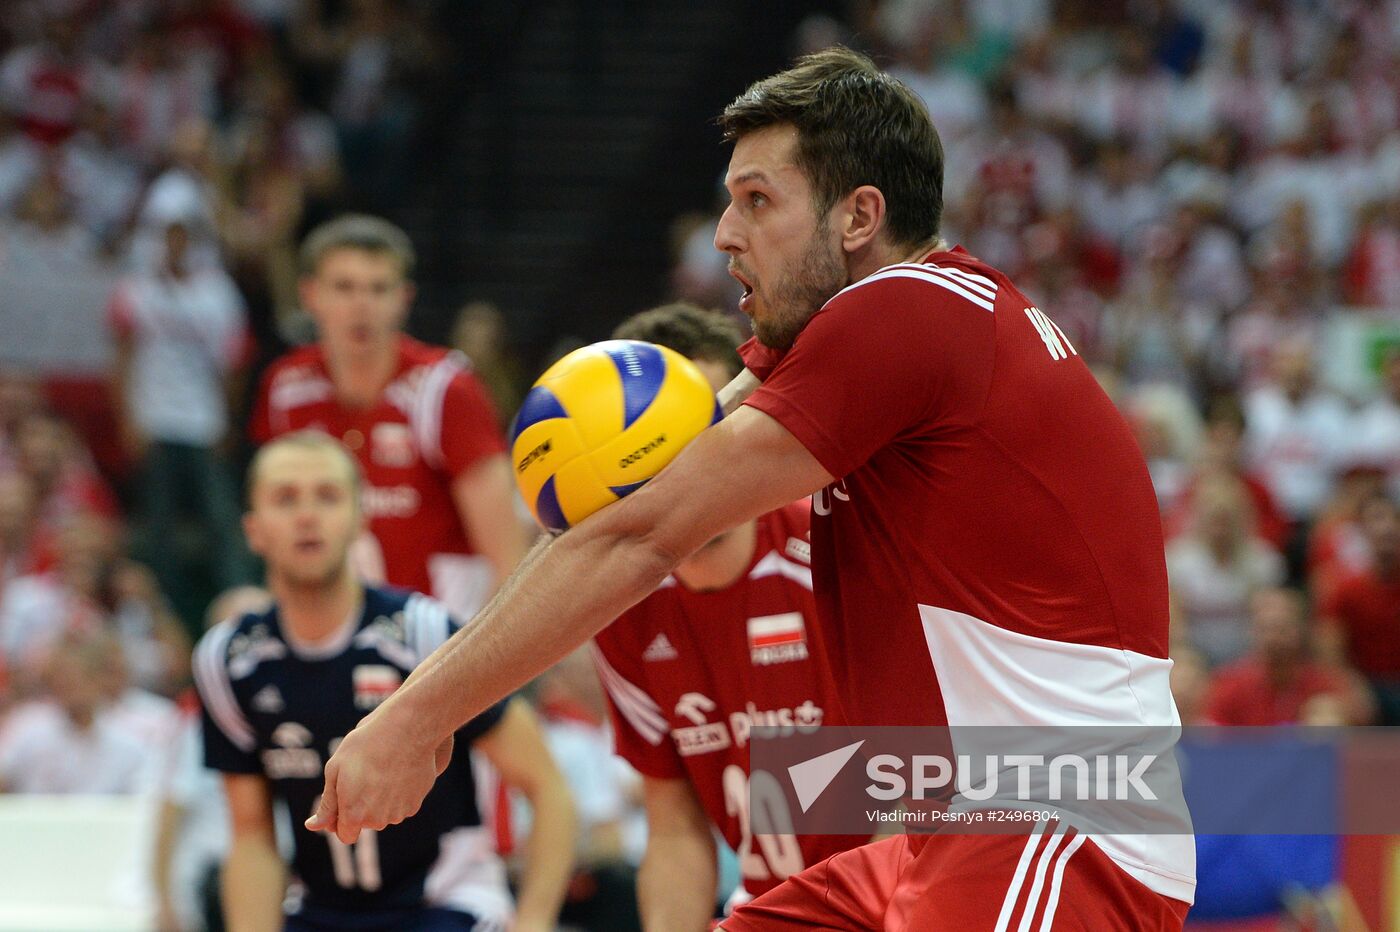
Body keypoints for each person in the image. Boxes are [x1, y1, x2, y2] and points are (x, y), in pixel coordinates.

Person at [309, 48, 1193, 929]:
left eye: (757, 200)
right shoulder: (891, 328)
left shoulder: (904, 313)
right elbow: (637, 505)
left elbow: (638, 536)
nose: (725, 232)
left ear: (859, 217)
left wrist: (415, 716)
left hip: (1060, 817)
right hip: (945, 827)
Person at [193, 432, 575, 931]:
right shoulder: (228, 660)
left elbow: (548, 790)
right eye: (285, 498)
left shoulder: (425, 633)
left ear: (360, 519)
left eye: (328, 496)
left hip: (445, 905)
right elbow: (251, 839)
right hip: (317, 913)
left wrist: (534, 922)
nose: (307, 515)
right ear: (253, 530)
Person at [594, 302, 862, 926]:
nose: (685, 458)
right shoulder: (622, 607)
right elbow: (676, 829)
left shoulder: (834, 556)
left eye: (704, 426)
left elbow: (917, 804)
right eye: (655, 437)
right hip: (767, 909)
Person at [250, 213, 528, 624]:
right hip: (340, 638)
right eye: (344, 287)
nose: (362, 305)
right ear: (310, 294)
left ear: (404, 298)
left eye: (379, 289)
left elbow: (508, 555)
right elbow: (279, 538)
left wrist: (474, 666)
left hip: (443, 638)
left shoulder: (445, 389)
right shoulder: (286, 388)